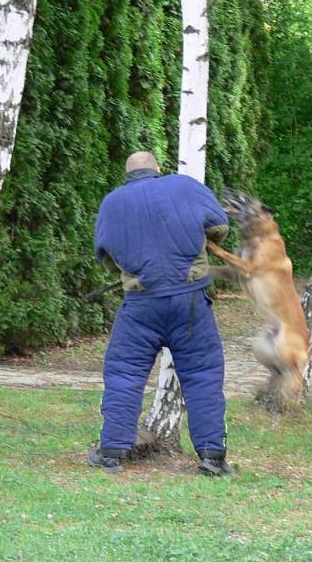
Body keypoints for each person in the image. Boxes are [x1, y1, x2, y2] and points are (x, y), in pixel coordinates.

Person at [87, 151, 232, 476]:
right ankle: (212, 457)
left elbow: (107, 258)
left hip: (141, 304)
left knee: (124, 372)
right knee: (203, 374)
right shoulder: (185, 186)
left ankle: (110, 452)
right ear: (157, 170)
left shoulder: (112, 203)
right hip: (190, 302)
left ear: (128, 176)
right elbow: (220, 225)